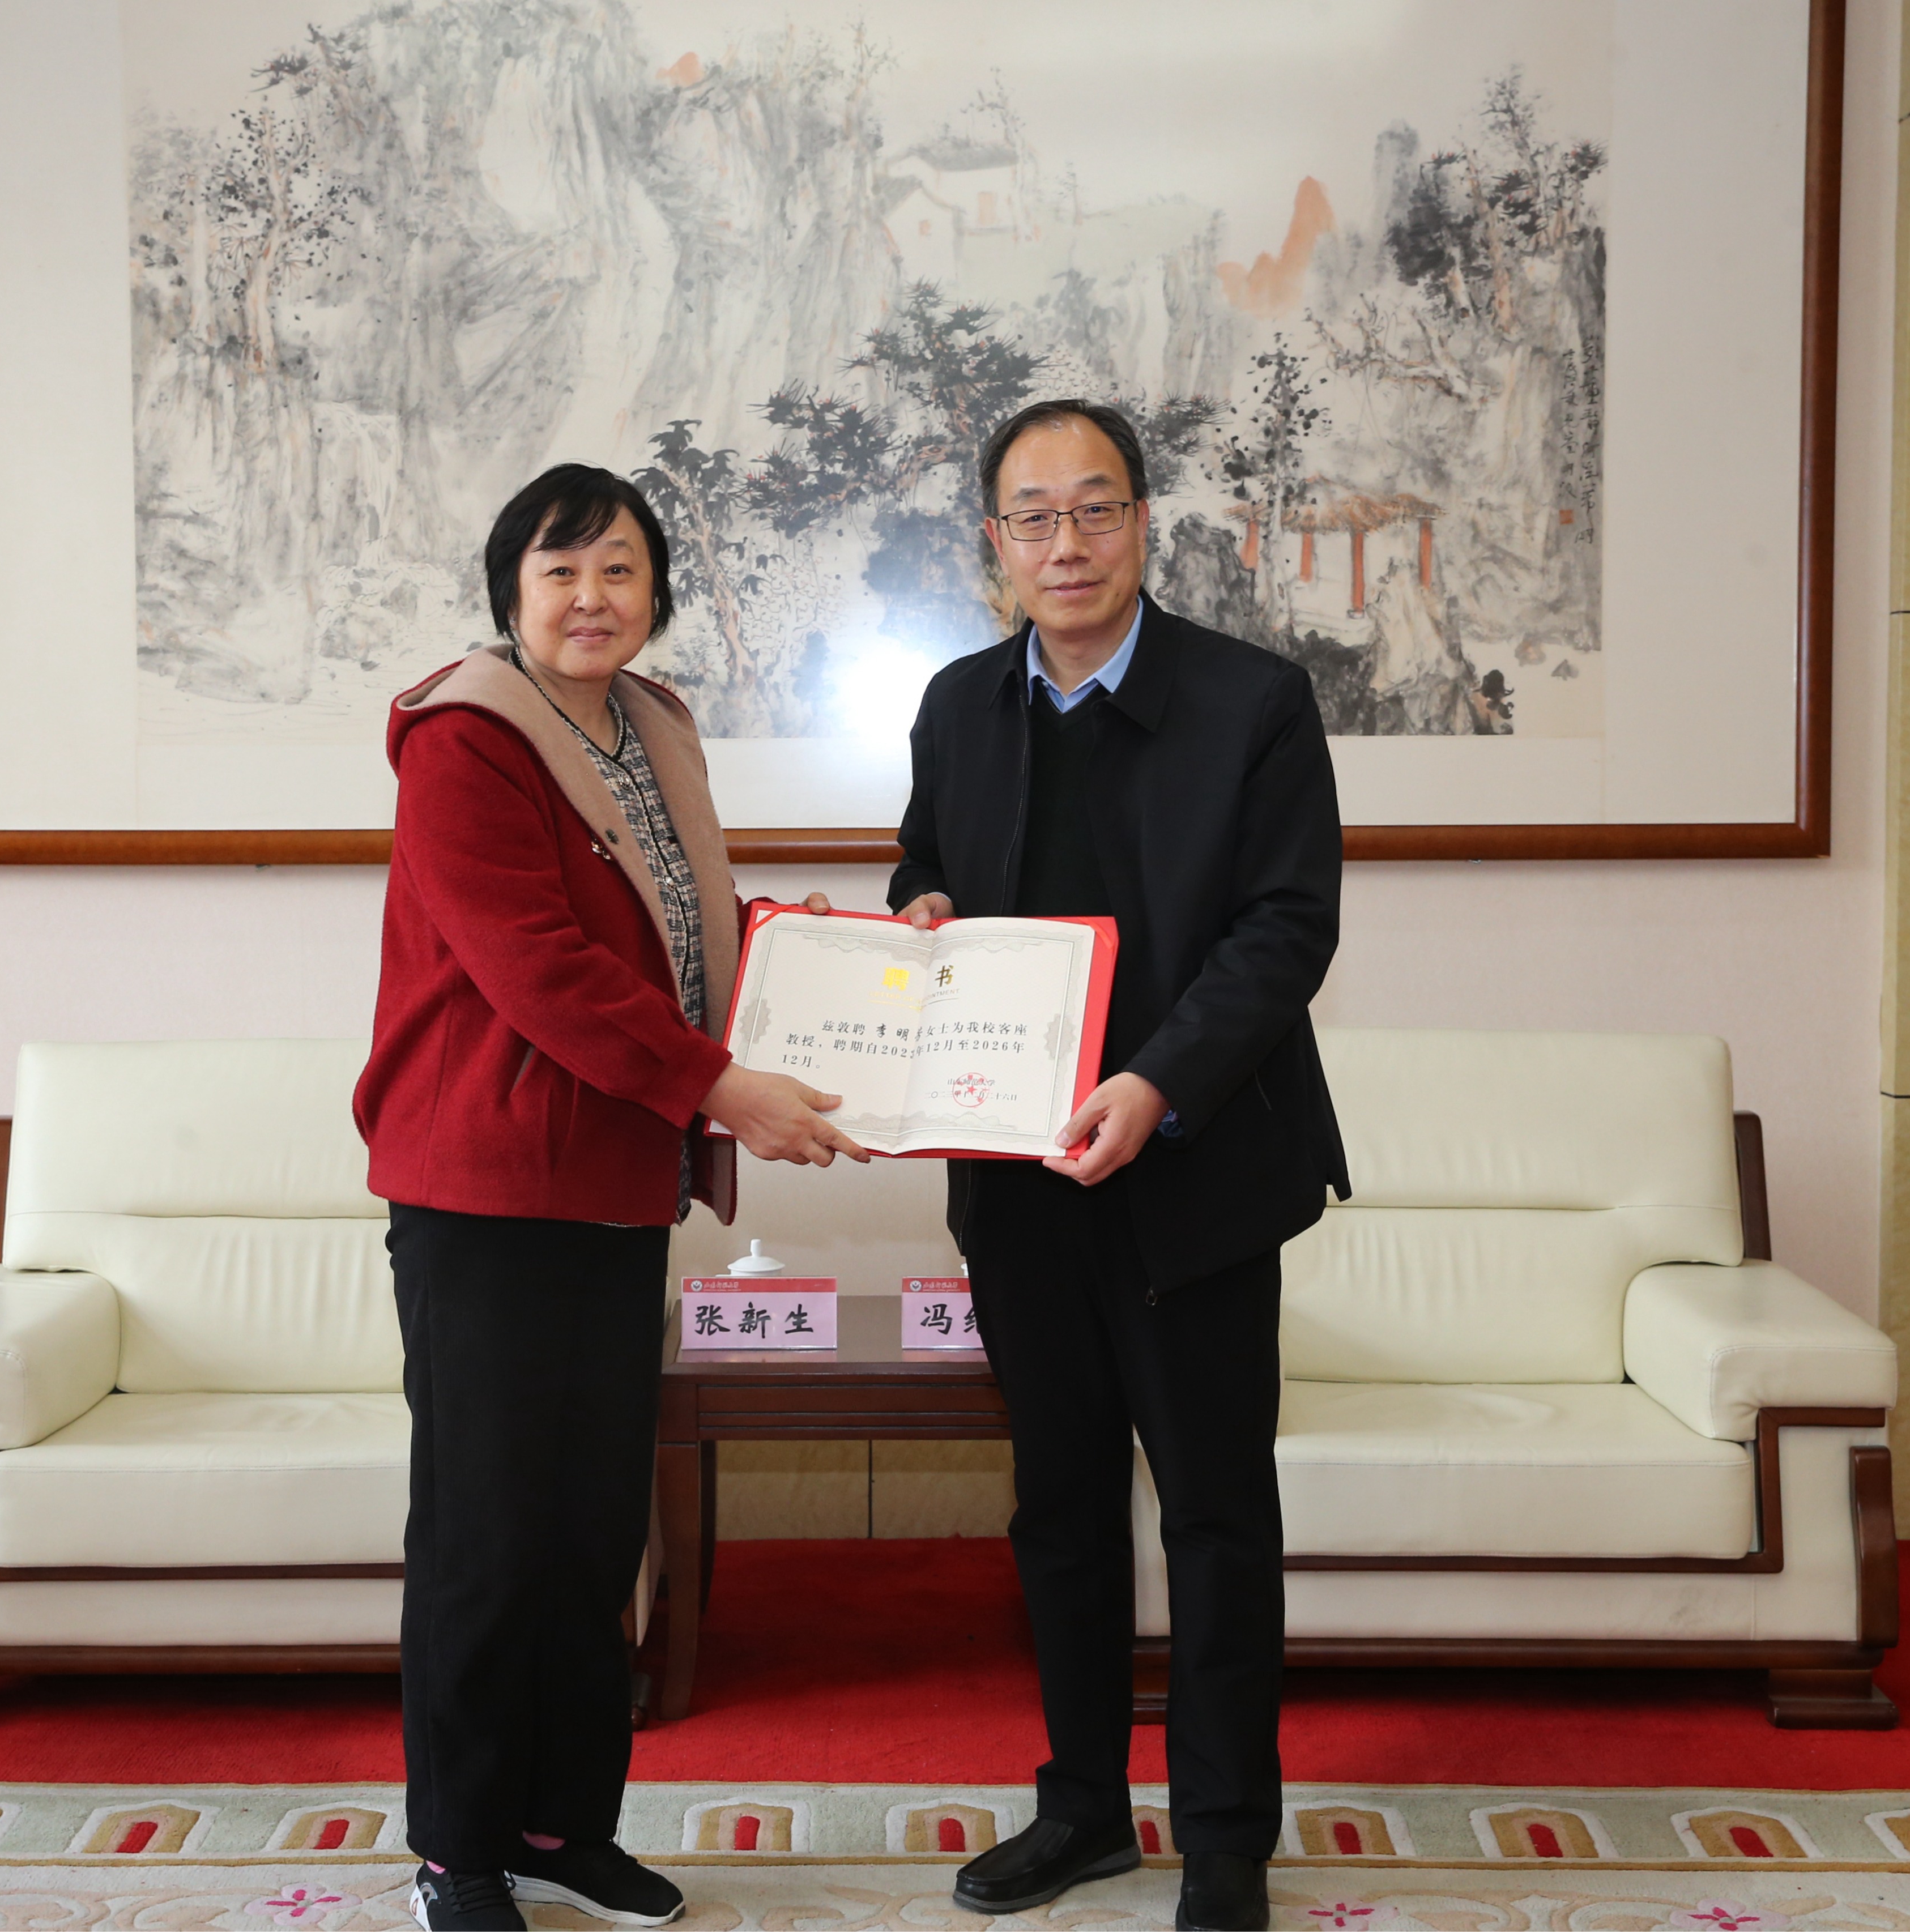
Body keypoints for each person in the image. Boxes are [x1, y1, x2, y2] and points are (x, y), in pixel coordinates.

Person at [355, 464, 866, 1931]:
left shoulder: (650, 722)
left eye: (622, 569)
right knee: (487, 1535)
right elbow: (541, 968)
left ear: (656, 591)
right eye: (562, 569)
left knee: (590, 1533)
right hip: (487, 1185)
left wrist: (865, 962)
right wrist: (722, 1087)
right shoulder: (464, 736)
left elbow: (687, 928)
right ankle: (457, 1852)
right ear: (510, 589)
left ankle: (562, 1824)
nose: (594, 596)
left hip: (615, 1178)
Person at [888, 400, 1349, 1932]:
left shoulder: (1252, 701)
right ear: (995, 543)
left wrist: (1156, 1085)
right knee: (1061, 1510)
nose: (1066, 543)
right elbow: (923, 861)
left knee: (1214, 1514)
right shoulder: (958, 703)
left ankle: (1224, 1836)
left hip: (1197, 1173)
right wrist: (921, 909)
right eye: (1033, 517)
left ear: (1145, 521)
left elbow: (1285, 928)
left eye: (1095, 509)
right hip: (1019, 1182)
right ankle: (1083, 1808)